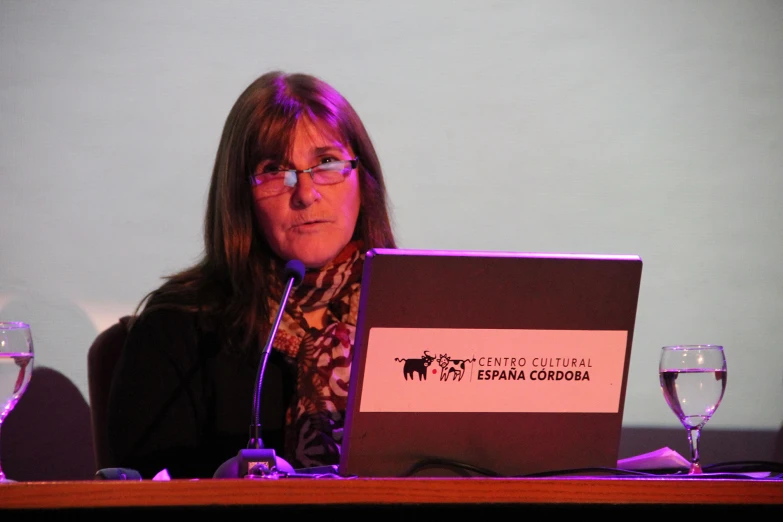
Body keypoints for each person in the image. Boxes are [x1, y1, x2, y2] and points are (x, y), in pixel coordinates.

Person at [105, 71, 396, 479]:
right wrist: (222, 489)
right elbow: (135, 491)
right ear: (241, 196)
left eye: (326, 163)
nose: (306, 193)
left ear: (362, 182)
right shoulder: (178, 326)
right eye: (275, 169)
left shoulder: (414, 312)